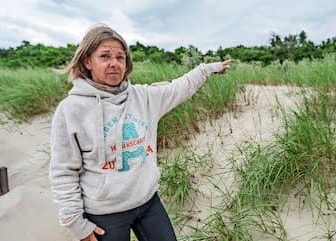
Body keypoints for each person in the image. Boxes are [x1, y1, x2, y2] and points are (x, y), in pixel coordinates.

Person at [49, 23, 231, 241]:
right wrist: (77, 224)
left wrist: (208, 68)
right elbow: (63, 172)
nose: (114, 64)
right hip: (105, 212)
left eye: (120, 57)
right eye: (105, 56)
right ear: (87, 61)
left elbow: (180, 87)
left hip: (147, 202)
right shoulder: (71, 110)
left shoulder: (144, 97)